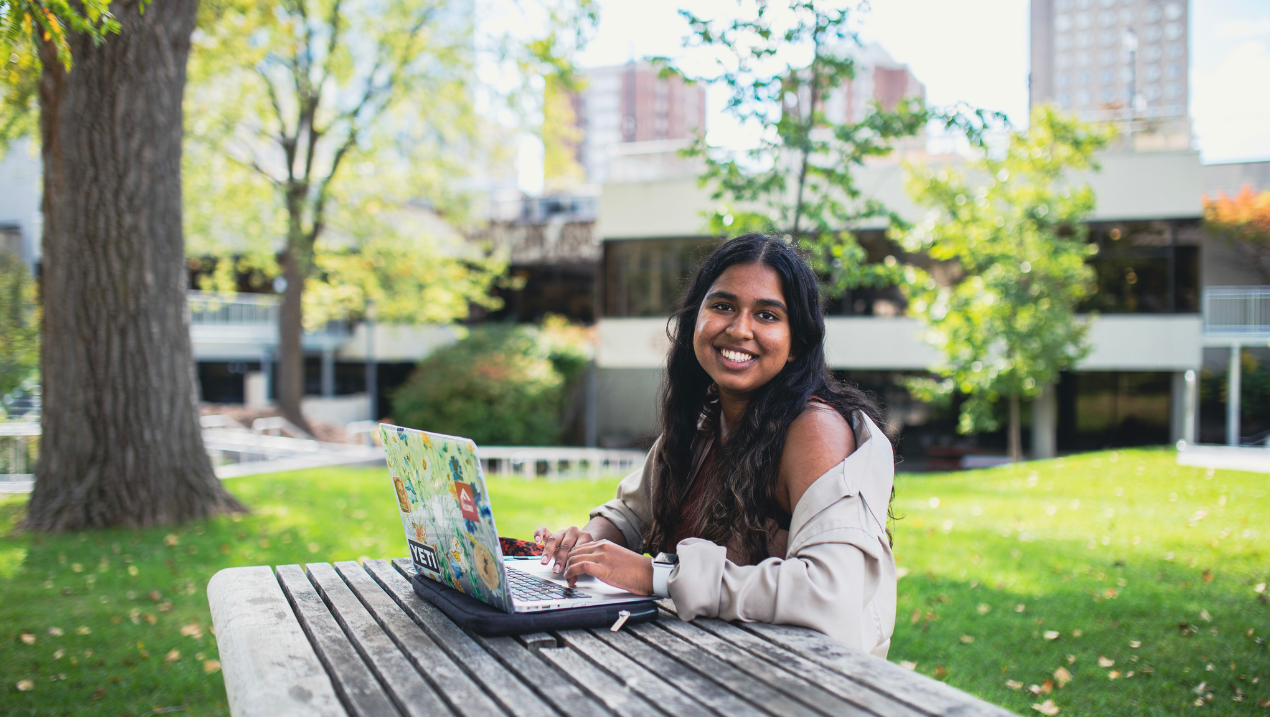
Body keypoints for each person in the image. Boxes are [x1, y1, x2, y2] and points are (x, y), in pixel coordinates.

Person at [534, 233, 897, 656]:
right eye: (723, 306)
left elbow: (830, 595)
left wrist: (655, 576)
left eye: (767, 315)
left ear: (796, 342)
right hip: (700, 662)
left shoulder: (814, 430)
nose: (739, 329)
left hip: (795, 683)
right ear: (696, 320)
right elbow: (631, 514)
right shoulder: (704, 421)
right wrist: (586, 545)